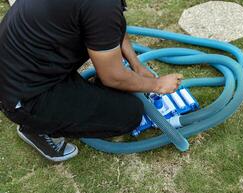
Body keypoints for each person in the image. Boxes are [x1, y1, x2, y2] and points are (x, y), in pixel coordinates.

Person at [0, 0, 182, 162]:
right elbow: (113, 77)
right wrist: (158, 85)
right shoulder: (101, 6)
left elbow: (114, 24)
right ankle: (35, 129)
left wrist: (136, 64)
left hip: (29, 69)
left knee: (115, 86)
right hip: (25, 97)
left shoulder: (103, 7)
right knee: (130, 113)